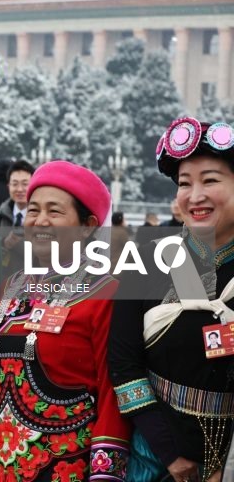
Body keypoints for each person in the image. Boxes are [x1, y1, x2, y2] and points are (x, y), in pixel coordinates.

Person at [0, 160, 132, 481]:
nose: (40, 220)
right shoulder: (12, 284)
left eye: (54, 212)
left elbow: (114, 390)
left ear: (87, 225)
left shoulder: (107, 292)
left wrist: (106, 471)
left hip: (65, 467)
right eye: (33, 210)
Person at [109, 117, 234, 482]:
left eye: (210, 180)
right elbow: (123, 362)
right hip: (149, 450)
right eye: (184, 184)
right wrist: (171, 455)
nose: (195, 196)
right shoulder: (147, 256)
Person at [0, 160, 35, 277]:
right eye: (15, 184)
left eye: (25, 184)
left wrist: (18, 244)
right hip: (3, 285)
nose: (19, 189)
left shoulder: (42, 219)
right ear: (8, 186)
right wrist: (3, 243)